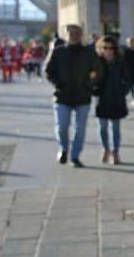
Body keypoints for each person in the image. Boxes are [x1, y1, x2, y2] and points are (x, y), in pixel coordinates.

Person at [44, 24, 104, 168]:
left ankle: (75, 155)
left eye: (77, 34)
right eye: (71, 34)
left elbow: (98, 70)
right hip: (62, 96)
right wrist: (58, 84)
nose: (74, 36)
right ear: (66, 35)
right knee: (62, 126)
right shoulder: (58, 52)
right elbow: (48, 71)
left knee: (80, 128)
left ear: (81, 35)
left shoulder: (88, 53)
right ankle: (63, 148)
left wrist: (89, 85)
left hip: (82, 96)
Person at [94, 35, 130, 164]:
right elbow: (90, 78)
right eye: (105, 47)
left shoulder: (120, 61)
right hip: (102, 98)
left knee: (115, 127)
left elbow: (127, 79)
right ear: (101, 48)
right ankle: (105, 149)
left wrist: (122, 92)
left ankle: (115, 152)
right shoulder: (96, 61)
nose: (109, 50)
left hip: (116, 98)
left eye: (111, 48)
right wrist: (93, 90)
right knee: (102, 127)